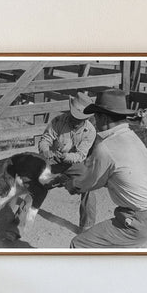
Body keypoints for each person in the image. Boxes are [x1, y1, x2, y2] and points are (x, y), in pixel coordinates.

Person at [64, 89, 147, 248]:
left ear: (103, 117)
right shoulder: (133, 137)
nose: (95, 121)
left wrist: (70, 184)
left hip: (137, 221)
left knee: (79, 244)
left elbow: (88, 183)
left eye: (96, 116)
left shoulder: (106, 147)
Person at [38, 92, 97, 231]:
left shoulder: (90, 131)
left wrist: (66, 157)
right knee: (36, 184)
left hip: (73, 164)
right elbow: (45, 140)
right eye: (73, 116)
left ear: (86, 118)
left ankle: (86, 227)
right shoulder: (58, 121)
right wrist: (46, 152)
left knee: (89, 185)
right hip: (52, 161)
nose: (75, 120)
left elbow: (81, 155)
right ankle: (17, 226)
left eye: (79, 118)